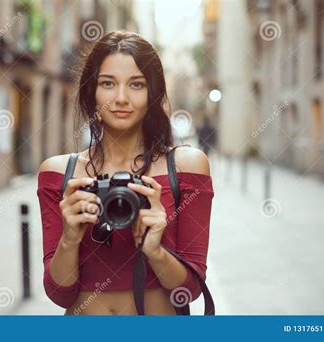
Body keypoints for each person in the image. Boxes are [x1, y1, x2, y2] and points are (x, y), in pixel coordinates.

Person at [37, 31, 215, 315]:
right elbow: (60, 294)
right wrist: (70, 238)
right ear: (91, 91)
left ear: (152, 92)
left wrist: (155, 251)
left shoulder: (186, 167)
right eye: (108, 83)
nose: (120, 98)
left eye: (136, 84)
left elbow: (189, 292)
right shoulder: (60, 173)